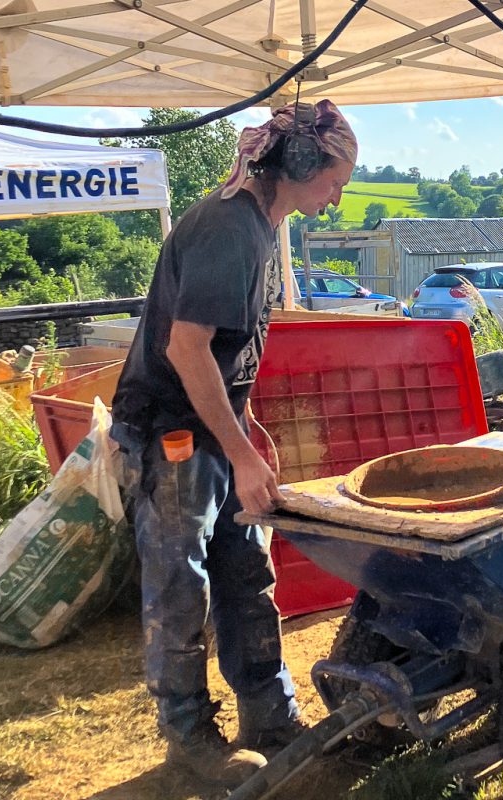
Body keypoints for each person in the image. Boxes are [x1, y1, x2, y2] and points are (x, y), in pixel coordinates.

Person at [110, 100, 357, 784]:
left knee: (246, 571)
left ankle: (270, 718)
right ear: (301, 166)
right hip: (170, 432)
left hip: (212, 429)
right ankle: (187, 736)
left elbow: (224, 354)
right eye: (334, 180)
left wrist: (246, 430)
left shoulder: (257, 224)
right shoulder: (228, 229)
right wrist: (239, 453)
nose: (337, 195)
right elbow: (185, 349)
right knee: (179, 583)